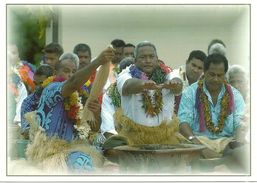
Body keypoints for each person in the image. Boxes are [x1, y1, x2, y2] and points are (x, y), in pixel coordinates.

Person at [25, 47, 115, 173]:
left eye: (74, 71)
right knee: (81, 160)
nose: (70, 75)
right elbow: (73, 82)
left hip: (72, 150)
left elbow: (93, 129)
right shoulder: (51, 88)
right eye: (66, 71)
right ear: (55, 72)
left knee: (103, 151)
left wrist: (96, 113)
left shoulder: (79, 95)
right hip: (49, 154)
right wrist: (97, 62)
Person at [113, 41, 183, 145]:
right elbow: (127, 85)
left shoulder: (168, 73)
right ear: (135, 60)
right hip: (134, 137)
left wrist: (175, 83)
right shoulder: (126, 73)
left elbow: (178, 85)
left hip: (166, 137)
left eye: (151, 57)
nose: (148, 61)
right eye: (143, 57)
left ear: (157, 59)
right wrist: (143, 84)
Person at [178, 54, 246, 161]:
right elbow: (183, 122)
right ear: (204, 72)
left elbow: (240, 123)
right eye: (212, 74)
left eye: (220, 75)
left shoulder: (235, 95)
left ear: (225, 75)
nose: (216, 79)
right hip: (197, 142)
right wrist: (201, 148)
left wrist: (235, 145)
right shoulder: (190, 92)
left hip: (227, 143)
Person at [100, 57, 135, 140]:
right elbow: (108, 129)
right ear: (119, 76)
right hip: (118, 140)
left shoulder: (147, 91)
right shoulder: (109, 95)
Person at [20, 64, 54, 139]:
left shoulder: (59, 99)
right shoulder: (28, 102)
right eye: (35, 84)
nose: (38, 87)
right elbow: (25, 131)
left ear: (52, 83)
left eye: (41, 83)